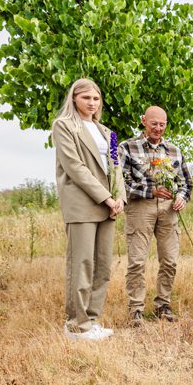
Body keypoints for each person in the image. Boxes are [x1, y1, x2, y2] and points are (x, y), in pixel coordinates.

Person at [52, 78, 126, 340]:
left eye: (95, 99)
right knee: (81, 264)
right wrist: (106, 197)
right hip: (83, 204)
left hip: (109, 206)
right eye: (86, 98)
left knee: (103, 266)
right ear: (74, 98)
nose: (92, 103)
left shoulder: (108, 133)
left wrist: (120, 199)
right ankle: (76, 325)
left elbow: (116, 167)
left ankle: (91, 320)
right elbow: (75, 168)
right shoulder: (64, 126)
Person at [118, 106, 193, 325]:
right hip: (141, 208)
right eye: (154, 123)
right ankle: (136, 310)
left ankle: (163, 305)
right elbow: (120, 183)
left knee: (169, 260)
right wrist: (149, 191)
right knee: (137, 261)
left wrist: (181, 197)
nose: (158, 128)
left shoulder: (174, 150)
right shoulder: (127, 147)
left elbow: (186, 183)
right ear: (144, 121)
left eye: (162, 124)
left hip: (169, 209)